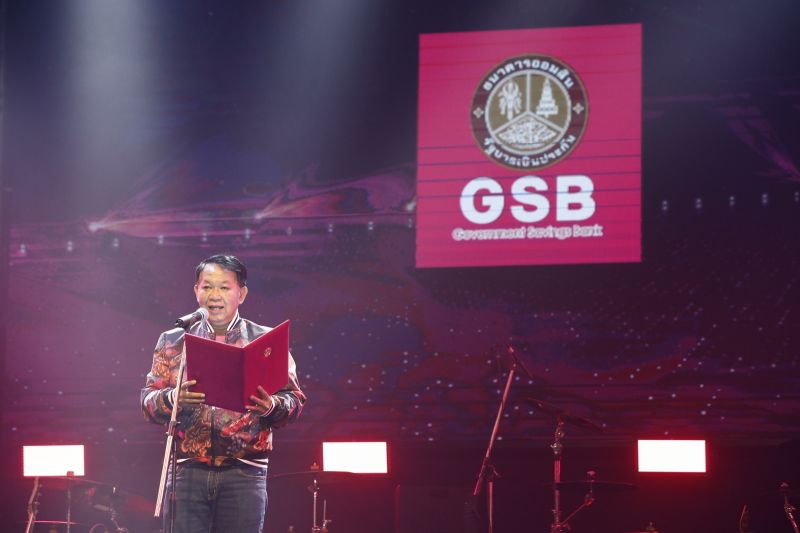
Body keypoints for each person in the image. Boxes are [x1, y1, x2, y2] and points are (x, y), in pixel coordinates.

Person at [141, 254, 306, 533]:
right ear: (196, 291)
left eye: (224, 287)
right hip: (186, 472)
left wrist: (269, 406)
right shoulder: (173, 341)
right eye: (207, 287)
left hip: (245, 472)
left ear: (241, 294)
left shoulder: (265, 340)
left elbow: (295, 401)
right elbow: (147, 403)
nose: (214, 295)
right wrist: (172, 399)